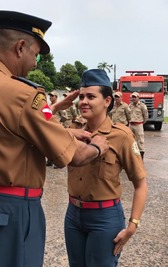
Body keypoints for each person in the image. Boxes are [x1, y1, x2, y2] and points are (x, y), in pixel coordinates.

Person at [0, 10, 109, 267]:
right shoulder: (23, 94)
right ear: (20, 46)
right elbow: (72, 156)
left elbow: (3, 132)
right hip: (9, 213)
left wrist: (67, 132)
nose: (35, 62)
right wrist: (97, 146)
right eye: (35, 54)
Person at [64, 69, 148, 267]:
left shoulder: (122, 136)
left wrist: (133, 225)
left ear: (107, 101)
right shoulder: (72, 133)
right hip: (73, 216)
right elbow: (42, 125)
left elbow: (141, 184)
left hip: (104, 219)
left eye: (91, 96)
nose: (84, 101)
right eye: (82, 96)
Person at [129, 92, 148, 159]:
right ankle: (132, 157)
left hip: (138, 125)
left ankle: (141, 158)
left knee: (140, 141)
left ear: (138, 98)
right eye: (132, 97)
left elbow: (145, 116)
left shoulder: (142, 106)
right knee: (130, 140)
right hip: (131, 125)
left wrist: (141, 123)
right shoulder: (130, 105)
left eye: (134, 97)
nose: (133, 98)